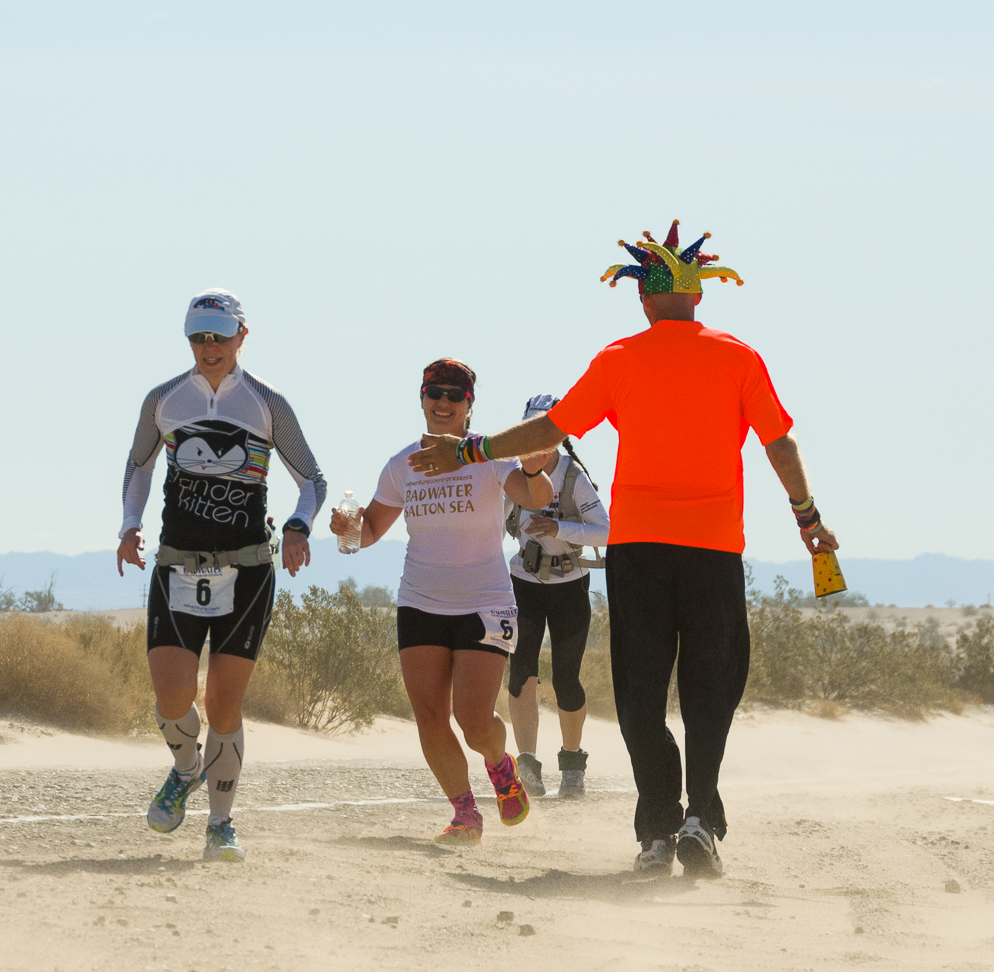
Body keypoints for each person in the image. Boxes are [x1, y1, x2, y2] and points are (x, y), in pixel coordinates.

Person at [406, 221, 840, 877]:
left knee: (640, 698)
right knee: (707, 695)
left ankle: (658, 832)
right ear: (697, 297)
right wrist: (806, 516)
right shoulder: (738, 357)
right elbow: (778, 440)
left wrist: (468, 448)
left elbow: (551, 427)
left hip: (638, 554)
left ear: (643, 301)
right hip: (712, 551)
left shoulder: (619, 358)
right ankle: (698, 820)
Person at [118, 291, 327, 863]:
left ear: (241, 336)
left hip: (249, 570)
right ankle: (185, 769)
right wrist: (129, 525)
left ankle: (221, 824)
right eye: (198, 338)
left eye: (218, 336)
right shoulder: (163, 399)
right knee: (173, 696)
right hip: (176, 564)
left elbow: (312, 478)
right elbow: (138, 465)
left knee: (224, 704)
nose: (208, 348)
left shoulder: (267, 402)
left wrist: (299, 525)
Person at [328, 359, 552, 845]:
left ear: (470, 405)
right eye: (435, 392)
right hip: (420, 600)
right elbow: (368, 532)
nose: (444, 402)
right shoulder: (400, 465)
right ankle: (464, 813)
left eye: (455, 394)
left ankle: (501, 766)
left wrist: (533, 468)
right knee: (429, 715)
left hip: (485, 601)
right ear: (422, 397)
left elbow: (536, 496)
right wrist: (347, 528)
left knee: (473, 719)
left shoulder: (491, 458)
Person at [503, 393, 610, 800]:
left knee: (567, 677)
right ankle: (527, 763)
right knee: (521, 672)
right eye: (530, 429)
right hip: (522, 582)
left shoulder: (573, 477)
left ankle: (572, 765)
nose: (536, 439)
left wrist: (561, 530)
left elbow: (608, 531)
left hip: (571, 585)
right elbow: (492, 523)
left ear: (559, 434)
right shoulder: (508, 475)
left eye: (545, 430)